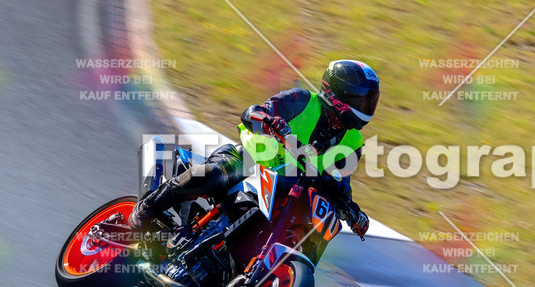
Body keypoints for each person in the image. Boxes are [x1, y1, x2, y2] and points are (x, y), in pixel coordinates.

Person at [129, 59, 378, 238]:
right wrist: (268, 121)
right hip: (249, 162)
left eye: (369, 100)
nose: (365, 106)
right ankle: (147, 209)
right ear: (338, 91)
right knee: (214, 174)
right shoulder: (302, 101)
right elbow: (254, 112)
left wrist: (354, 212)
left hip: (287, 189)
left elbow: (340, 184)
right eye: (360, 99)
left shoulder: (353, 142)